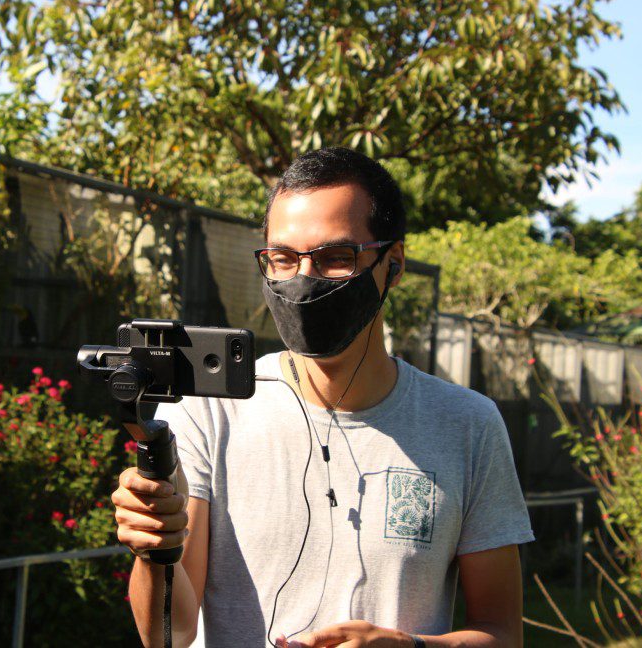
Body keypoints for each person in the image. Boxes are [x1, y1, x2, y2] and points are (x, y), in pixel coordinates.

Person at [112, 147, 534, 647]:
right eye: (283, 258)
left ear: (393, 264)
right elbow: (170, 635)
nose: (303, 280)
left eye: (336, 258)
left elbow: (503, 633)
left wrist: (412, 647)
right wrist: (153, 550)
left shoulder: (467, 425)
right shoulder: (209, 410)